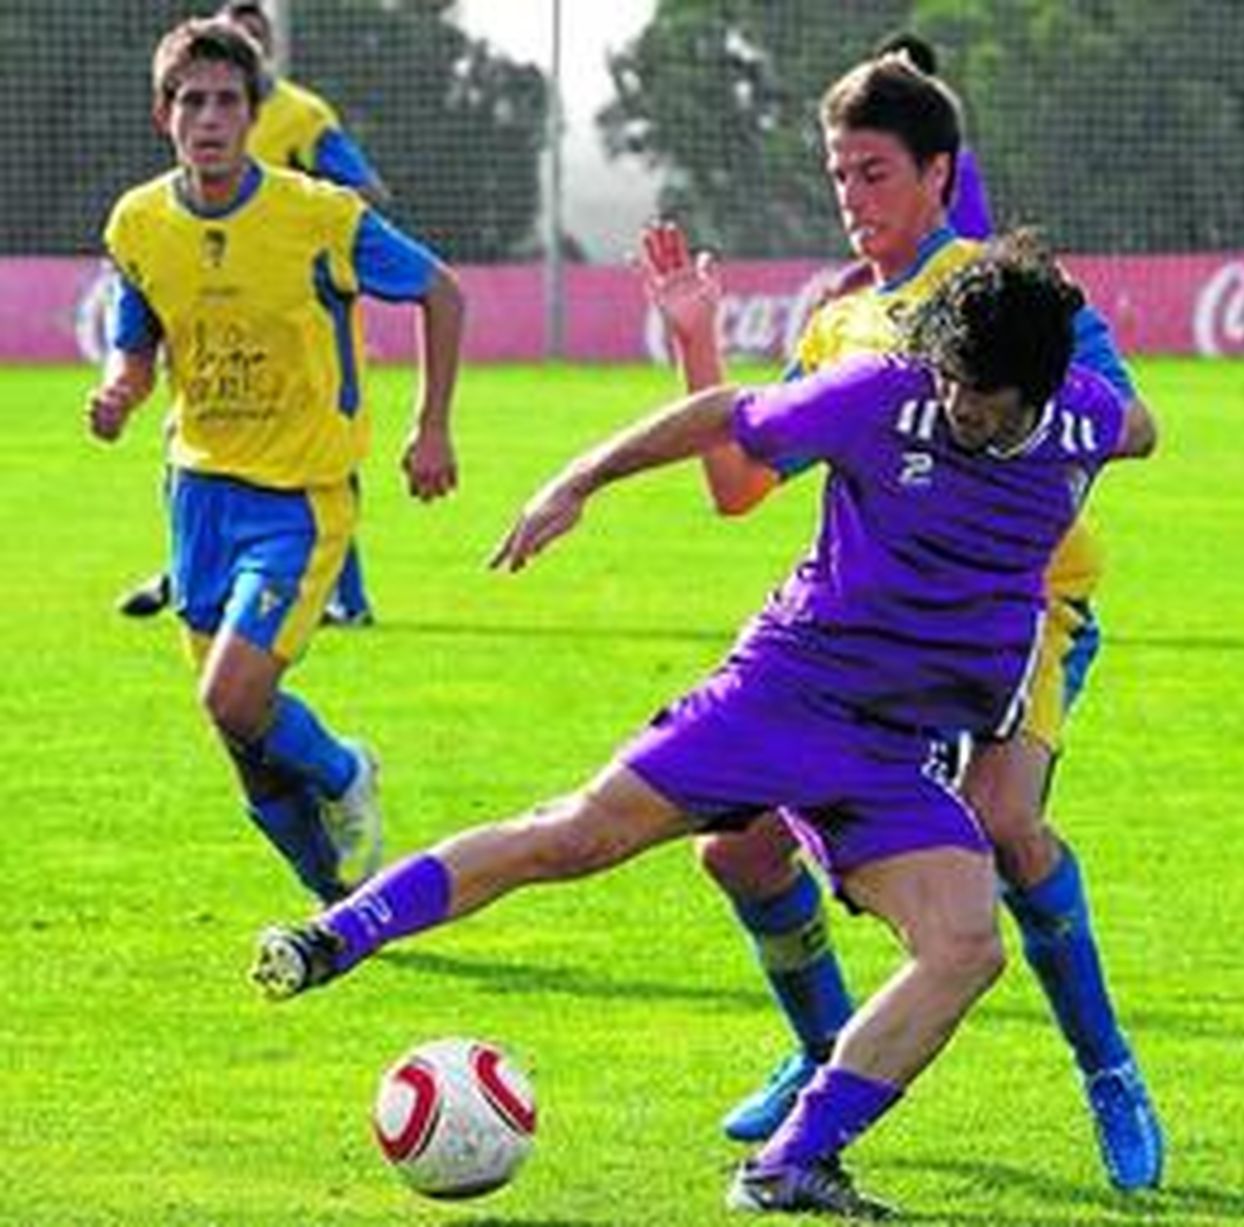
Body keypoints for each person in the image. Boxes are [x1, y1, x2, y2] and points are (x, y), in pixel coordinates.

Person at [252, 234, 1155, 1217]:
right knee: (579, 835)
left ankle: (788, 1164)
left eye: (980, 395)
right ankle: (334, 935)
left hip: (894, 749)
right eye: (949, 379)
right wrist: (578, 483)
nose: (955, 405)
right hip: (785, 692)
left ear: (1037, 390)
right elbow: (727, 416)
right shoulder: (881, 397)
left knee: (966, 945)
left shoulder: (1091, 422)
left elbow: (1140, 426)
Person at [639, 50, 1166, 1191]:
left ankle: (1109, 1071)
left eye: (873, 174)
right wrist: (696, 335)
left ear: (938, 176)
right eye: (837, 176)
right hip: (872, 637)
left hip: (1023, 614)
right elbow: (736, 487)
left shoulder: (1014, 294)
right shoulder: (838, 323)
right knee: (734, 846)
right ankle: (823, 1049)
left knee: (1009, 827)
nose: (852, 199)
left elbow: (1126, 418)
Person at [87, 18, 463, 903]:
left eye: (226, 101)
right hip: (196, 494)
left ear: (254, 114)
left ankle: (342, 771)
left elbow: (441, 290)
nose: (208, 118)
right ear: (163, 114)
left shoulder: (317, 215)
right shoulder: (138, 223)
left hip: (298, 498)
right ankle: (331, 895)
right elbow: (135, 341)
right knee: (240, 733)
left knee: (232, 696)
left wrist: (432, 425)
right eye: (192, 101)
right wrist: (117, 390)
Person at [116, 0, 389, 626]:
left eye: (254, 35)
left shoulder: (301, 114)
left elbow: (367, 191)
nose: (211, 115)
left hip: (292, 304)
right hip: (210, 294)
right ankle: (188, 572)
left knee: (311, 438)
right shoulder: (180, 134)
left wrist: (307, 240)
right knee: (195, 436)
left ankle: (344, 594)